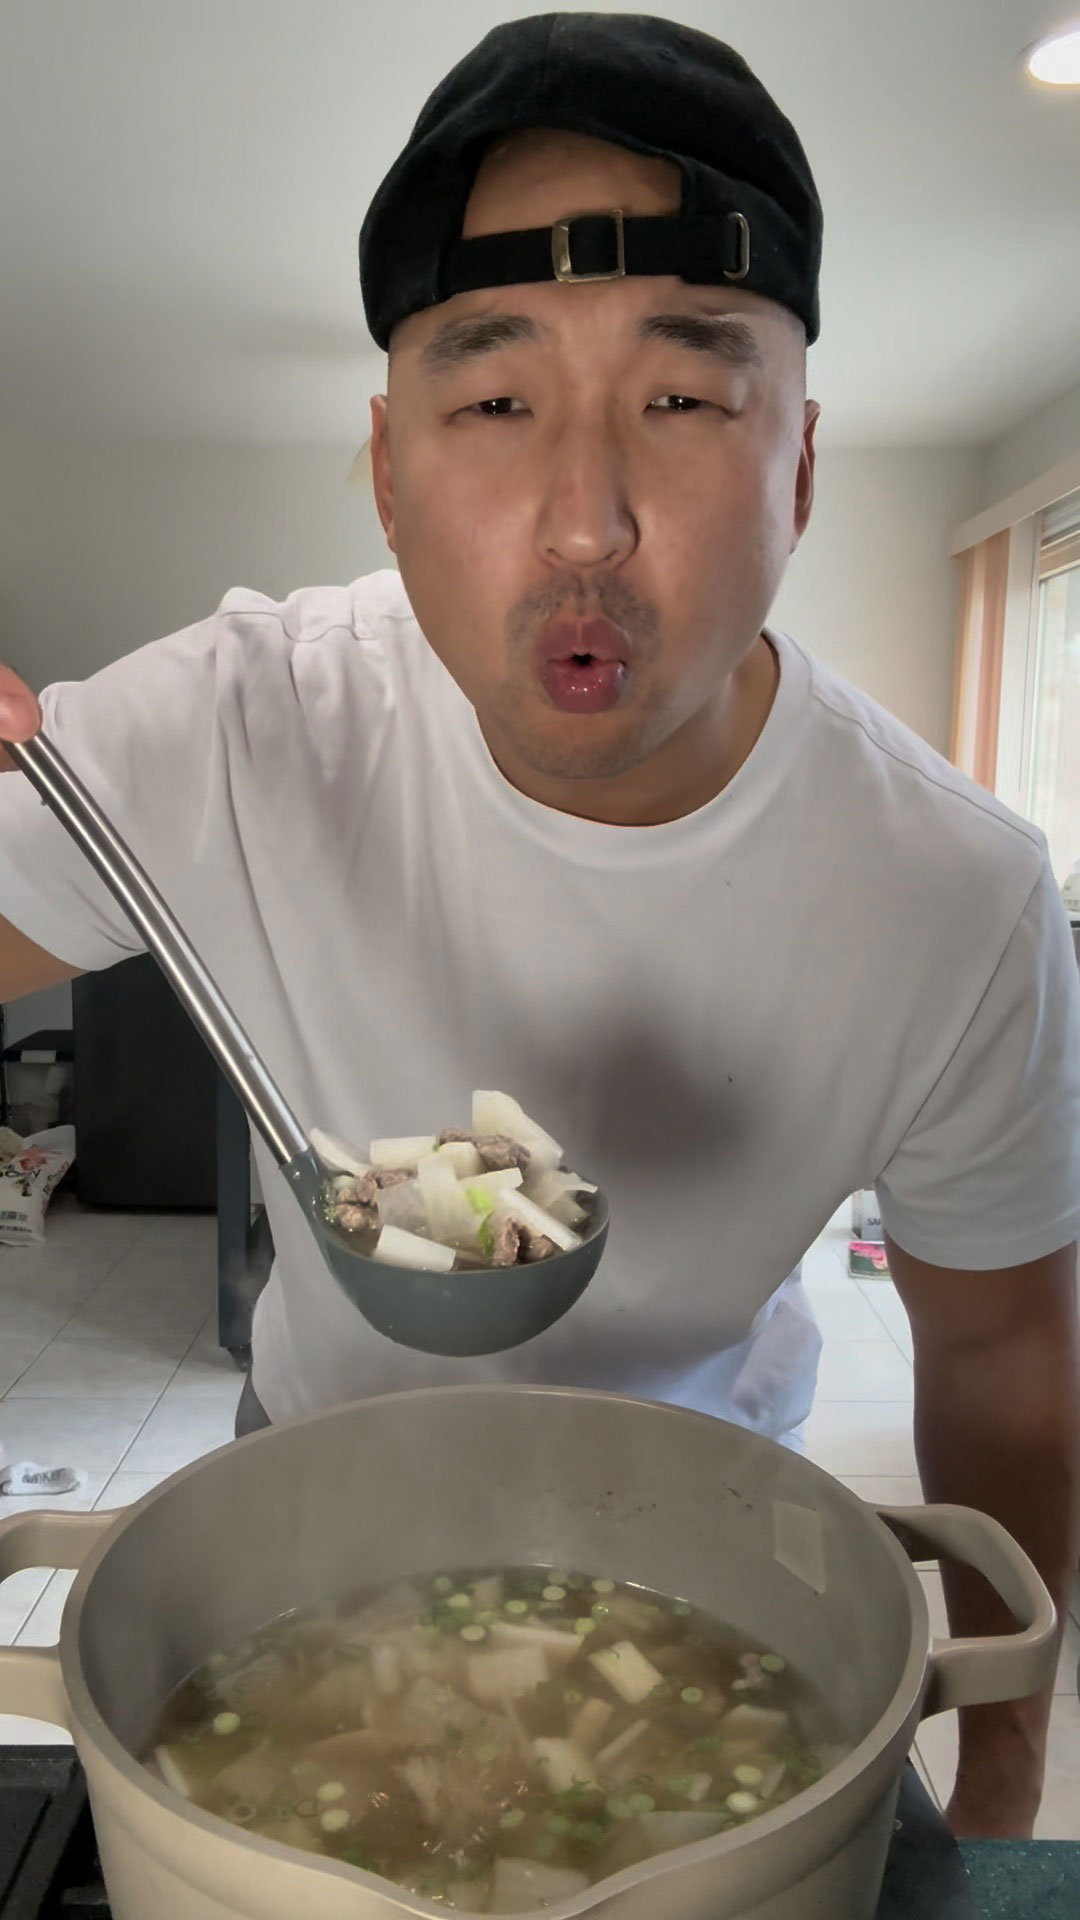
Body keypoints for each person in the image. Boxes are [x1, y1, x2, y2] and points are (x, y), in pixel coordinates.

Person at [0, 13, 1077, 1843]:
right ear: (390, 467)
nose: (585, 522)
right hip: (305, 1513)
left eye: (683, 398)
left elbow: (1000, 1359)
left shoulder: (957, 890)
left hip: (727, 1552)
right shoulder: (233, 725)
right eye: (494, 404)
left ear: (802, 468)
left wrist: (998, 1791)